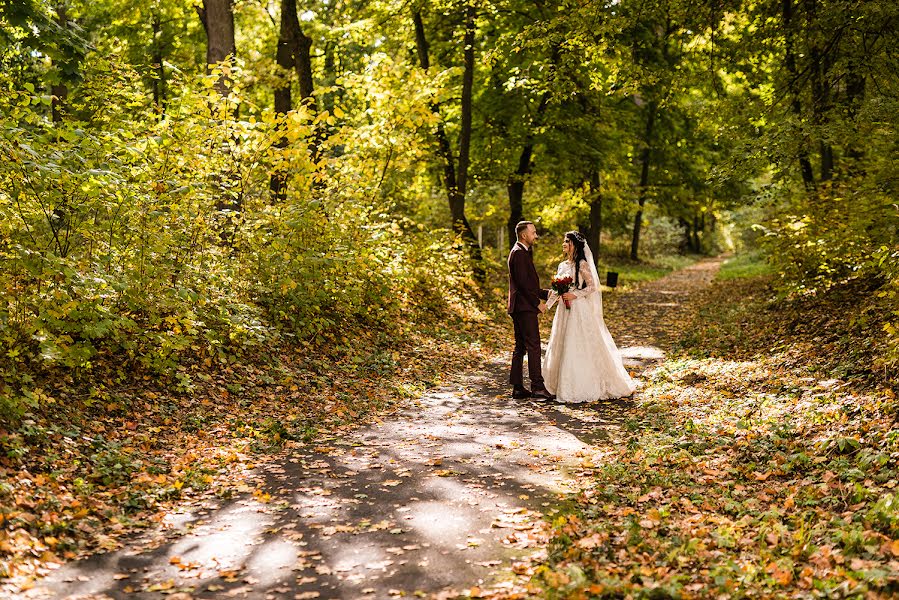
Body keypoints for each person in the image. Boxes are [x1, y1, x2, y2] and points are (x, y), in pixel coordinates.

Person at [543, 231, 636, 403]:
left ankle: (583, 384)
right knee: (562, 342)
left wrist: (575, 295)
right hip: (563, 311)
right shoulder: (562, 265)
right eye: (563, 241)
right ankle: (558, 384)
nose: (563, 244)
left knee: (578, 343)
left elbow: (592, 287)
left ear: (575, 245)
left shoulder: (583, 264)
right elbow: (557, 291)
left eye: (567, 241)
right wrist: (546, 306)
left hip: (579, 309)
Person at [507, 221, 555, 401]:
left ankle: (518, 387)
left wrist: (545, 293)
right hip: (524, 307)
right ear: (523, 235)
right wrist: (537, 303)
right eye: (533, 233)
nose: (536, 235)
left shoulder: (520, 252)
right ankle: (537, 388)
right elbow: (523, 284)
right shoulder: (519, 253)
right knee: (534, 345)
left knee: (520, 347)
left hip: (519, 306)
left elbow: (527, 284)